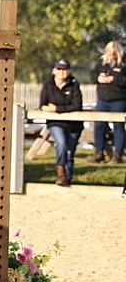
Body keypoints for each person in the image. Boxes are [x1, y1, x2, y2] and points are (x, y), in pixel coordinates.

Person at [40, 59, 84, 187]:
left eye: (64, 69)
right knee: (61, 143)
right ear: (54, 71)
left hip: (74, 124)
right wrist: (54, 110)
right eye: (59, 69)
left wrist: (56, 109)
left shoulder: (74, 84)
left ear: (69, 71)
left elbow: (77, 105)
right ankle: (61, 175)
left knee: (70, 152)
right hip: (55, 122)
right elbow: (43, 105)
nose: (61, 72)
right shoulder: (48, 84)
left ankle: (68, 178)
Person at [91, 41, 126, 164]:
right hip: (102, 101)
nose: (112, 56)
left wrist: (115, 79)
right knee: (99, 126)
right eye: (110, 53)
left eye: (114, 53)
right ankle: (99, 153)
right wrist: (98, 78)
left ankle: (118, 155)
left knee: (118, 127)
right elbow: (92, 75)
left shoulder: (123, 64)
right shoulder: (101, 64)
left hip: (119, 100)